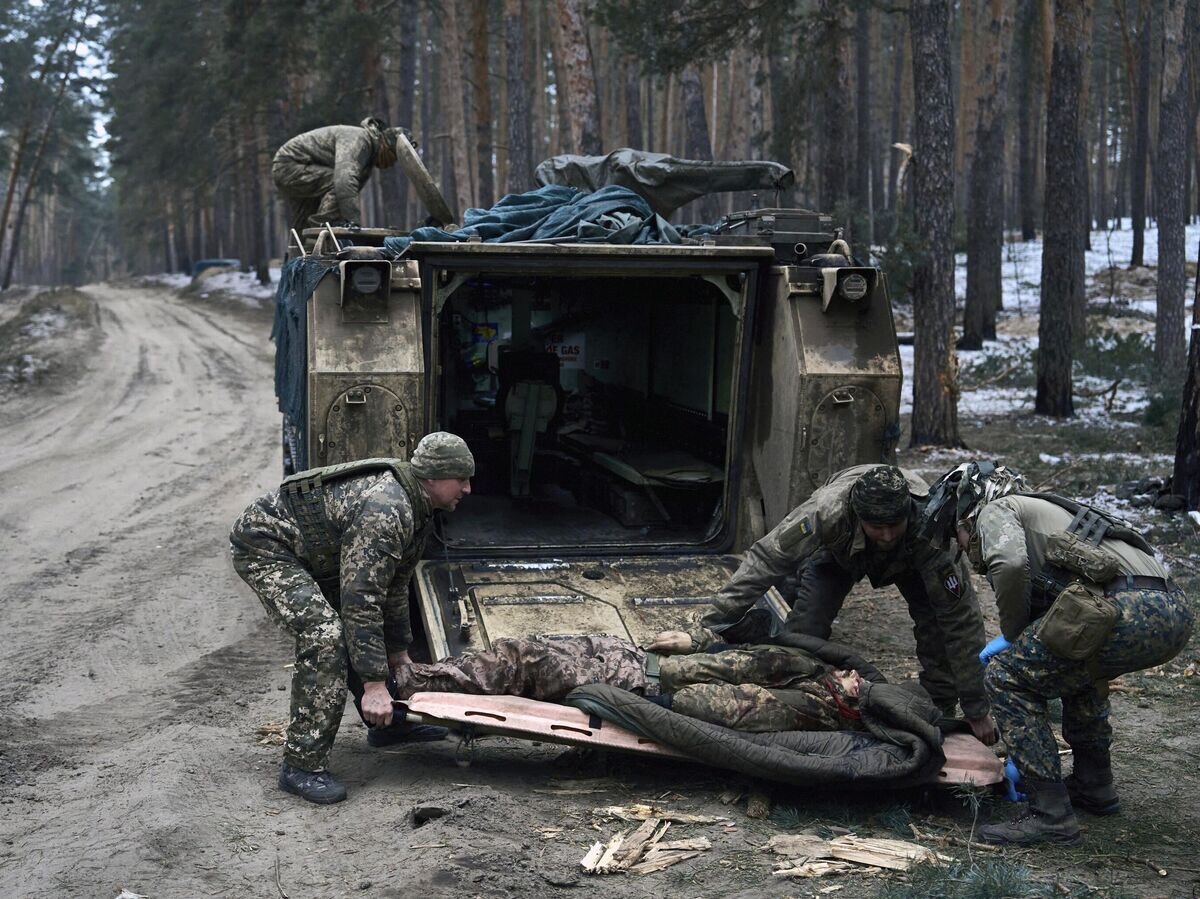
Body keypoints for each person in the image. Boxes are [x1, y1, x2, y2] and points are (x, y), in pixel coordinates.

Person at [920, 461, 1194, 846]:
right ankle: (1094, 785)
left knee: (1005, 678)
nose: (963, 547)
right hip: (1172, 609)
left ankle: (1051, 815)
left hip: (1125, 609)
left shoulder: (997, 509)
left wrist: (1014, 634)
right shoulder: (1047, 511)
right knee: (1075, 666)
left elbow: (1010, 562)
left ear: (966, 514)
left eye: (959, 536)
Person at [230, 432, 474, 804]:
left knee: (359, 631)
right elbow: (361, 600)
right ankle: (302, 765)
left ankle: (387, 726)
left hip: (316, 553)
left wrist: (399, 653)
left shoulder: (419, 507)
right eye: (462, 479)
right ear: (434, 478)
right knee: (326, 636)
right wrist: (375, 684)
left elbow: (394, 587)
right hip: (268, 545)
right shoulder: (387, 509)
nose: (468, 489)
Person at [702, 464, 996, 744]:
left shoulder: (931, 525)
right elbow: (767, 559)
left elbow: (960, 619)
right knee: (805, 629)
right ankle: (798, 700)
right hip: (839, 554)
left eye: (894, 524)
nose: (887, 535)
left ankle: (937, 710)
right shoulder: (827, 511)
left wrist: (976, 707)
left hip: (911, 558)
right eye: (877, 527)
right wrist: (714, 622)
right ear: (858, 515)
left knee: (937, 629)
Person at [392, 626, 871, 734]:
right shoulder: (810, 668)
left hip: (641, 682)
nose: (852, 674)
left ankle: (409, 686)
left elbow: (719, 709)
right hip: (636, 657)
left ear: (851, 703)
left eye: (858, 683)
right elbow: (736, 650)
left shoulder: (808, 707)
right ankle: (419, 679)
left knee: (525, 662)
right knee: (526, 648)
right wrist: (695, 637)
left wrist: (655, 699)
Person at [271, 117, 405, 233]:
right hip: (290, 164)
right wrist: (353, 222)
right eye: (394, 157)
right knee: (338, 183)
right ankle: (322, 229)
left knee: (304, 222)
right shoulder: (360, 139)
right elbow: (343, 182)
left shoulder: (368, 154)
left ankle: (299, 255)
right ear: (386, 146)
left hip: (295, 166)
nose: (392, 164)